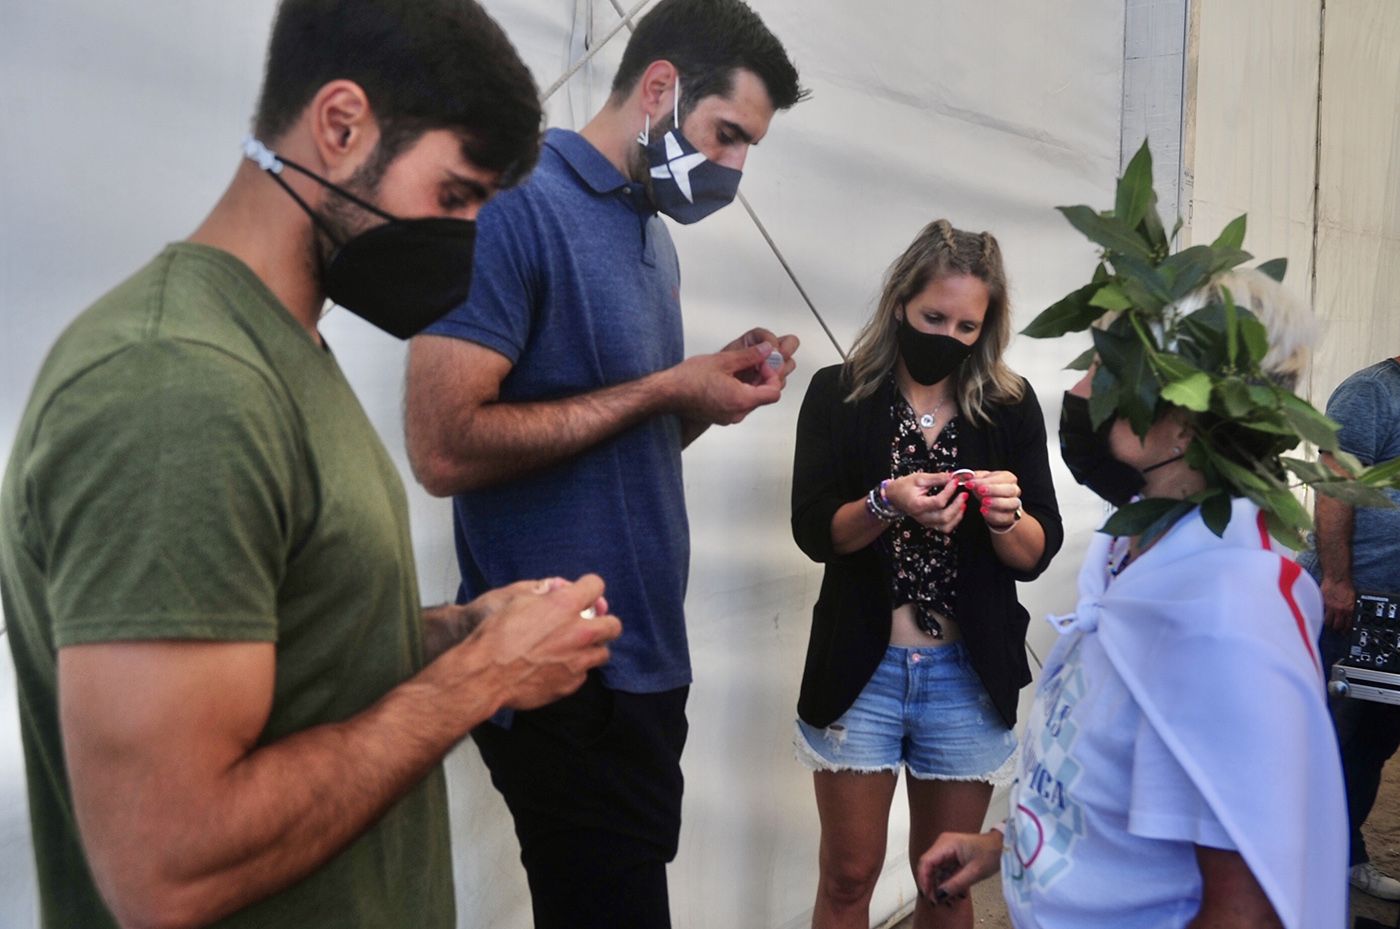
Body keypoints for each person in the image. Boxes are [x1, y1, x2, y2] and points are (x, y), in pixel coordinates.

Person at [0, 3, 624, 928]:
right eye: (454, 196)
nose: (467, 241)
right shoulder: (178, 383)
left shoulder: (282, 350)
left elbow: (286, 646)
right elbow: (169, 864)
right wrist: (483, 676)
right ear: (340, 125)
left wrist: (459, 630)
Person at [402, 1, 805, 926]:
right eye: (728, 134)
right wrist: (667, 388)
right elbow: (442, 445)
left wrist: (703, 396)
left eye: (751, 147)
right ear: (660, 89)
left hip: (644, 667)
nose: (735, 167)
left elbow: (620, 440)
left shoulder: (650, 232)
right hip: (560, 676)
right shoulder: (514, 203)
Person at [916, 268, 1347, 929]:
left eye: (1107, 363)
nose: (1084, 387)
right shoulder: (1143, 546)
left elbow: (1243, 908)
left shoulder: (1226, 616)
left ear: (1180, 420)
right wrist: (1011, 846)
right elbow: (1120, 765)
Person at [788, 219, 1064, 929]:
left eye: (967, 324)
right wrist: (887, 499)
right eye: (933, 316)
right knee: (848, 875)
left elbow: (1037, 550)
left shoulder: (1007, 405)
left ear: (988, 327)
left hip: (966, 673)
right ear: (899, 303)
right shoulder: (839, 393)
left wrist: (1002, 515)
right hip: (862, 666)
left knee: (945, 879)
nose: (947, 335)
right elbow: (815, 529)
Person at [1301, 355, 1400, 900]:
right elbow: (1334, 488)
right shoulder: (1371, 392)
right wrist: (1337, 581)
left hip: (1396, 610)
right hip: (1352, 601)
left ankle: (1343, 855)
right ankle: (1289, 865)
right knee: (1325, 735)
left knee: (1374, 741)